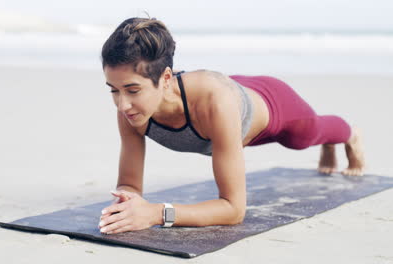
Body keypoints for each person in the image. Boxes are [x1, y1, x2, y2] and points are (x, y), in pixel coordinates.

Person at [97, 17, 365, 235]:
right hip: (227, 97)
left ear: (165, 78)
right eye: (114, 91)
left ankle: (348, 135)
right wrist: (127, 204)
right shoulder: (131, 110)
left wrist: (156, 213)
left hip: (273, 105)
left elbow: (234, 210)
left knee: (304, 137)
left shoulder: (215, 103)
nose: (122, 105)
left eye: (132, 90)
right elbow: (129, 185)